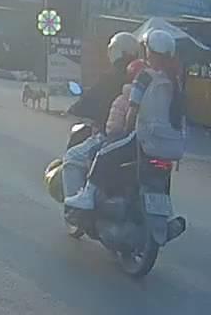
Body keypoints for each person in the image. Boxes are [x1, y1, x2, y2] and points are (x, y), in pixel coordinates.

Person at [66, 28, 186, 210]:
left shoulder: (144, 77)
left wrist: (125, 132)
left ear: (149, 51)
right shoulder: (175, 82)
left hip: (145, 140)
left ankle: (87, 196)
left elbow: (132, 111)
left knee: (104, 154)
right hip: (172, 147)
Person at [58, 32, 143, 203]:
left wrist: (74, 109)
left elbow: (92, 99)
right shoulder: (144, 76)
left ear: (116, 51)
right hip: (141, 141)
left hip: (112, 135)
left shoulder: (113, 75)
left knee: (72, 158)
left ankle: (75, 206)